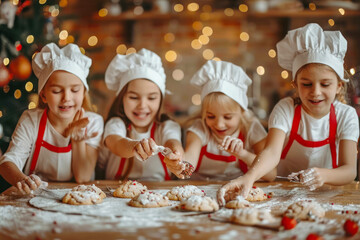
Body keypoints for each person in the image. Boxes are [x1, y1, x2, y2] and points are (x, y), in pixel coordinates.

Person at [217, 23, 359, 206]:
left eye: (325, 84)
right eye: (306, 84)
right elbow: (271, 152)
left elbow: (349, 171)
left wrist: (322, 175)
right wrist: (249, 177)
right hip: (281, 193)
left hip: (329, 195)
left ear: (339, 85)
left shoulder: (346, 115)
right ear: (295, 85)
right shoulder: (286, 109)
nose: (315, 92)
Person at [0, 43, 104, 194]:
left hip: (78, 199)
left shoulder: (93, 123)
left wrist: (78, 139)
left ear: (84, 92)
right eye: (56, 91)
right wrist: (22, 179)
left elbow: (83, 177)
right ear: (43, 95)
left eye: (75, 90)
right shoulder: (31, 120)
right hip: (35, 198)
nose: (66, 98)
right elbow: (7, 163)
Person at [165, 60, 275, 181]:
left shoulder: (251, 128)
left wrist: (242, 154)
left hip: (237, 189)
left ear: (242, 112)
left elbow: (270, 175)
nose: (219, 124)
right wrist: (178, 163)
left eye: (228, 117)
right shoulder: (199, 128)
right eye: (211, 116)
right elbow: (188, 164)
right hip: (200, 191)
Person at [97, 49, 184, 181]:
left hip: (160, 193)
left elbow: (173, 142)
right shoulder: (116, 124)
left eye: (151, 98)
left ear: (160, 99)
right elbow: (117, 143)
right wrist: (135, 147)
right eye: (134, 97)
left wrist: (176, 155)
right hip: (115, 194)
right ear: (122, 98)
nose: (142, 105)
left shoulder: (167, 126)